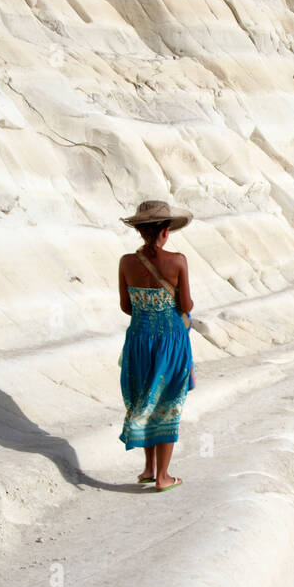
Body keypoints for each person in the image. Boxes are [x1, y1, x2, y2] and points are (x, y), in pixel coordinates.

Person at [118, 199, 195, 491]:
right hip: (170, 340)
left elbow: (126, 306)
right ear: (165, 230)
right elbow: (185, 304)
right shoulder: (178, 261)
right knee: (167, 401)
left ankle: (148, 468)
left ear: (140, 231)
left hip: (138, 338)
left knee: (143, 399)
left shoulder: (126, 262)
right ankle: (163, 477)